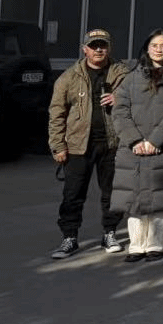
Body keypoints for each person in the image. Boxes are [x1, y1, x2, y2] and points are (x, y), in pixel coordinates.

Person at [48, 29, 130, 259]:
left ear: (109, 48)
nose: (98, 50)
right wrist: (58, 145)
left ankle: (110, 233)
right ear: (85, 49)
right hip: (77, 145)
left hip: (112, 143)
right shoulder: (69, 77)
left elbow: (139, 98)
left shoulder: (123, 74)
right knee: (73, 194)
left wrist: (119, 98)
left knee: (112, 193)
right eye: (93, 46)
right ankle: (69, 237)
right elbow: (56, 113)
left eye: (102, 45)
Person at [111, 30, 163, 262]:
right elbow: (120, 111)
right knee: (133, 198)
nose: (158, 49)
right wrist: (135, 140)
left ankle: (156, 244)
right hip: (133, 147)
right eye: (154, 45)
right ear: (147, 48)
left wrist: (156, 140)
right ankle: (136, 245)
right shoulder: (131, 77)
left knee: (159, 198)